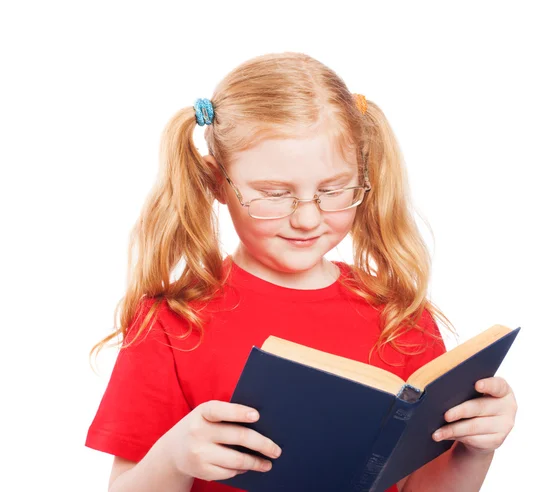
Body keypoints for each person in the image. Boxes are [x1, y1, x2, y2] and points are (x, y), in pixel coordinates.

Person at [86, 52, 518, 492]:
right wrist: (175, 455)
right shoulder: (173, 321)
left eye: (334, 190)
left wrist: (475, 449)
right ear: (217, 182)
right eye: (275, 193)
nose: (308, 219)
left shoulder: (400, 317)